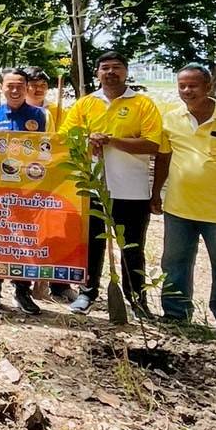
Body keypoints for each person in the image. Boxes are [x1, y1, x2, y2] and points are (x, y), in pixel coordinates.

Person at [150, 64, 216, 339]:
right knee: (174, 263)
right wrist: (155, 192)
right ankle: (175, 315)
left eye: (193, 85)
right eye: (182, 86)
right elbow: (164, 158)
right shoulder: (171, 119)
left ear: (209, 87)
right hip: (179, 208)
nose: (187, 91)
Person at [60, 51, 162, 316]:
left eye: (117, 67)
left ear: (126, 72)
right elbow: (65, 140)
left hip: (132, 190)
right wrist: (87, 142)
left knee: (132, 247)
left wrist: (112, 140)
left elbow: (153, 144)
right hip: (92, 188)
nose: (111, 72)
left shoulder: (142, 104)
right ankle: (87, 293)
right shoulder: (85, 104)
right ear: (97, 73)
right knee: (92, 246)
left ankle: (137, 299)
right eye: (105, 68)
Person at [0, 70, 45, 316]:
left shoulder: (41, 116)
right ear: (1, 88)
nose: (15, 90)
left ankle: (22, 290)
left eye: (20, 86)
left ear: (27, 88)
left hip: (28, 190)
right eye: (10, 86)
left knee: (25, 240)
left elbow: (49, 150)